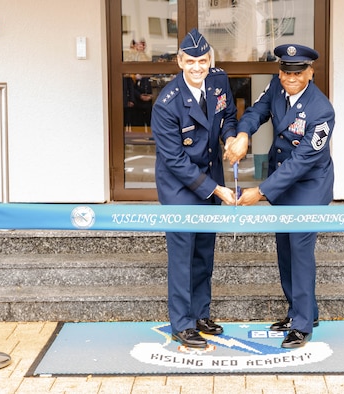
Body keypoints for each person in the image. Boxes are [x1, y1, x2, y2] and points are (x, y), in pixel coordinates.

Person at [225, 44, 335, 348]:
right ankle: (303, 311)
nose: (291, 78)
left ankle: (301, 325)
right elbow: (256, 112)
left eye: (298, 72)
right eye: (287, 72)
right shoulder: (276, 87)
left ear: (310, 72)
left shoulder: (321, 111)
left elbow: (303, 161)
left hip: (309, 185)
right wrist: (244, 134)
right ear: (280, 71)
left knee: (299, 249)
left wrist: (260, 191)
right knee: (285, 248)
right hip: (283, 182)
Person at [150, 29, 239, 348]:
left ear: (210, 60)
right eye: (191, 61)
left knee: (204, 251)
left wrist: (230, 136)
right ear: (179, 62)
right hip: (180, 187)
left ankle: (200, 314)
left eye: (203, 60)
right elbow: (174, 161)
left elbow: (228, 115)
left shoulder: (218, 81)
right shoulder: (166, 104)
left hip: (210, 174)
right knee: (182, 255)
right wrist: (216, 190)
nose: (198, 67)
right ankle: (182, 323)